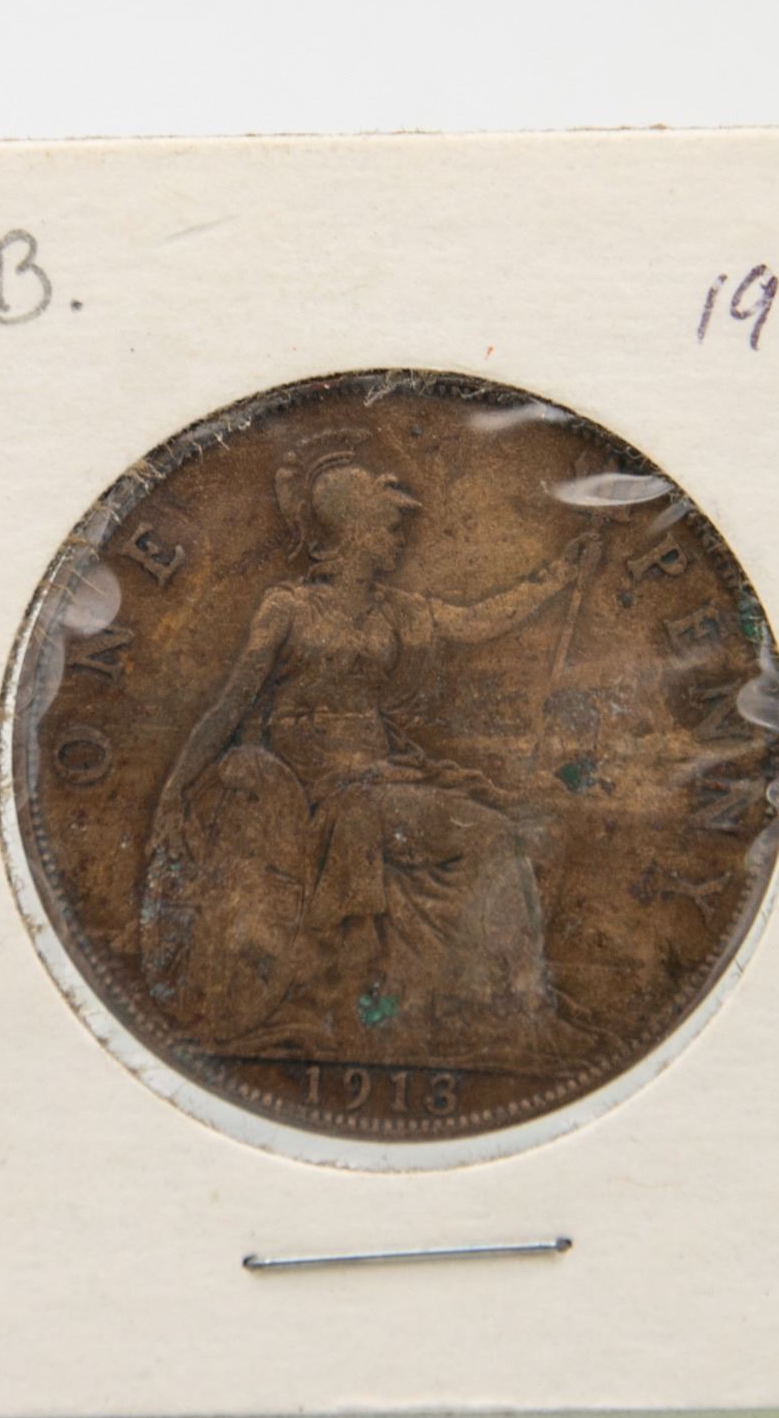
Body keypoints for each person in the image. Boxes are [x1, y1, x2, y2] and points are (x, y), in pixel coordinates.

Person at [143, 428, 593, 1063]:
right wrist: (176, 787)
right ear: (352, 532)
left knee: (510, 829)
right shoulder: (287, 609)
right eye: (387, 528)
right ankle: (516, 1014)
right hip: (322, 793)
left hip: (383, 777)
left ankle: (470, 1003)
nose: (398, 541)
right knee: (493, 836)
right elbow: (230, 704)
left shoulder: (397, 613)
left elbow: (478, 622)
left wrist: (559, 576)